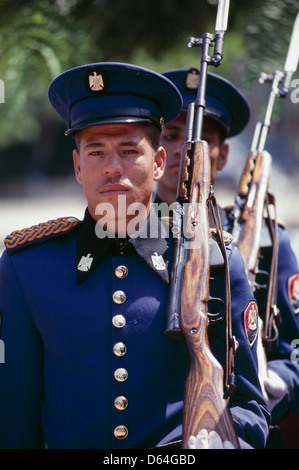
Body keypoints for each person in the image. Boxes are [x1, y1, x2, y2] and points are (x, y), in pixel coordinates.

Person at [0, 62, 270, 450]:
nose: (112, 168)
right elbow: (13, 423)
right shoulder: (27, 268)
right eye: (96, 152)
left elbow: (250, 406)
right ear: (78, 166)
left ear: (159, 162)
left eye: (129, 151)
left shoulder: (210, 259)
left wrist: (228, 441)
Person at [156, 67, 299, 446]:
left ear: (220, 156)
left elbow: (296, 350)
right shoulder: (125, 235)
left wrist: (278, 380)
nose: (179, 150)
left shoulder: (267, 241)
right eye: (170, 136)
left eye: (199, 139)